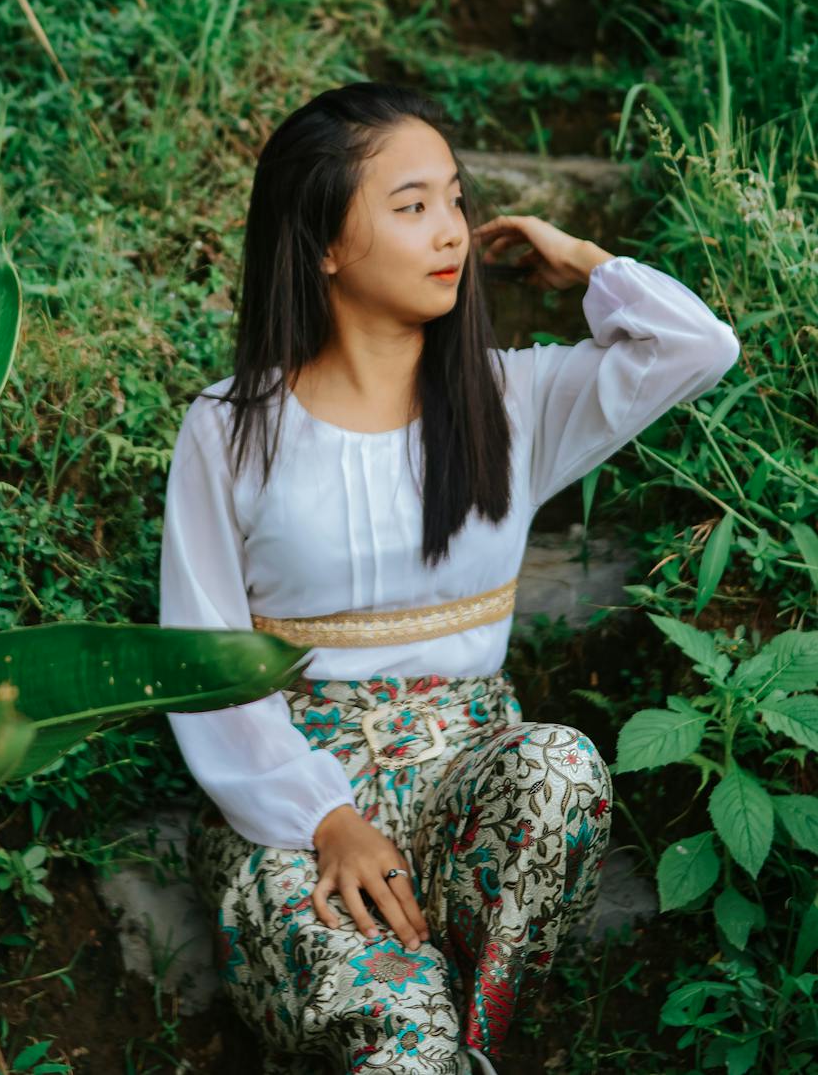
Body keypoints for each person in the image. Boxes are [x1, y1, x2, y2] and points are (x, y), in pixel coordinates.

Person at [158, 82, 741, 1075]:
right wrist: (324, 817)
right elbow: (202, 657)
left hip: (470, 780)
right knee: (400, 1036)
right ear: (324, 242)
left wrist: (588, 264)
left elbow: (697, 347)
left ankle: (475, 1033)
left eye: (457, 201)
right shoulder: (230, 427)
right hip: (296, 803)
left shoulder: (510, 398)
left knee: (560, 765)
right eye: (412, 204)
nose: (453, 232)